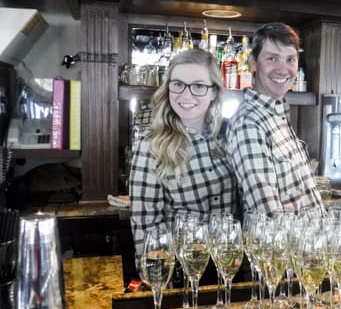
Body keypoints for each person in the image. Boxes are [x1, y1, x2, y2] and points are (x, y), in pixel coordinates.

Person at [129, 49, 238, 255]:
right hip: (184, 264)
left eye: (198, 86)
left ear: (214, 91)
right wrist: (160, 276)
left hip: (230, 260)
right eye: (178, 84)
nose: (186, 95)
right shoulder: (151, 144)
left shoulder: (230, 132)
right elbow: (146, 223)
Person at [226, 22, 324, 215]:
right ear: (253, 62)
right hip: (289, 245)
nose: (283, 69)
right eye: (272, 58)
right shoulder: (249, 124)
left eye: (290, 59)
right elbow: (268, 218)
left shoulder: (276, 112)